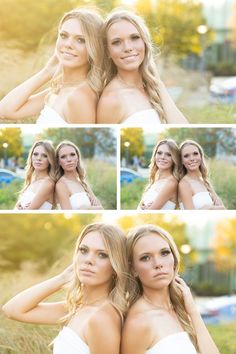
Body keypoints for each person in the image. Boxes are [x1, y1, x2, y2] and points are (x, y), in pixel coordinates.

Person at [2, 222, 129, 354]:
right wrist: (62, 278)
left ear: (116, 266)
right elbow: (12, 310)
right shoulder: (75, 309)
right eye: (83, 250)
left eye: (102, 255)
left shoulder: (103, 318)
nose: (89, 260)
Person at [122, 224, 220, 354]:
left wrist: (192, 311)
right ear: (133, 269)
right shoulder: (138, 322)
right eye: (145, 257)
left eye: (164, 253)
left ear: (173, 258)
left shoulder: (181, 310)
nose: (158, 264)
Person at [0, 8, 104, 124]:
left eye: (80, 40)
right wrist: (47, 71)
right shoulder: (60, 90)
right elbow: (4, 111)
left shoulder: (79, 97)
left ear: (95, 48)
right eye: (64, 36)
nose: (68, 44)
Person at [97, 8, 188, 125]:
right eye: (116, 42)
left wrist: (158, 83)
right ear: (108, 51)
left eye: (134, 38)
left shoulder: (152, 87)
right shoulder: (110, 100)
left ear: (144, 42)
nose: (128, 47)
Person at [178, 140, 225, 210]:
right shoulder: (184, 184)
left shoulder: (204, 181)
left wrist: (209, 208)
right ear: (181, 161)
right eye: (186, 156)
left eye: (195, 154)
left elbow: (223, 209)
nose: (192, 158)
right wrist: (209, 208)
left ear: (200, 156)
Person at [55, 140, 103, 210]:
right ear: (59, 162)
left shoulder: (82, 182)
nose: (69, 159)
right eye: (63, 157)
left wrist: (87, 208)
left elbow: (101, 208)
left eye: (72, 155)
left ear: (77, 157)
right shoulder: (61, 185)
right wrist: (87, 209)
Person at [138, 139, 179, 210]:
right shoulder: (156, 180)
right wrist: (142, 206)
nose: (162, 157)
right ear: (155, 155)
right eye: (159, 153)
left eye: (168, 154)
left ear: (174, 159)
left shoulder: (171, 183)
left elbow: (150, 211)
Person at [15, 140, 56, 210]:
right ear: (31, 157)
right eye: (35, 154)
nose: (39, 158)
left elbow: (28, 212)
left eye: (45, 156)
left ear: (50, 160)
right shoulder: (32, 180)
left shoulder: (48, 183)